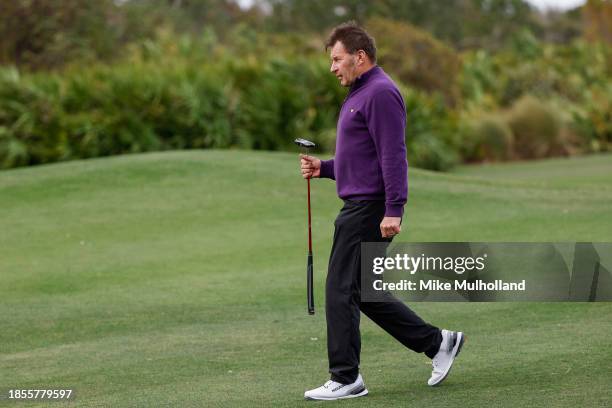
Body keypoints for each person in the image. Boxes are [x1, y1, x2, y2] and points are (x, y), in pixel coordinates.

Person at [299, 22, 465, 401]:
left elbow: (393, 157)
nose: (332, 67)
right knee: (365, 292)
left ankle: (345, 377)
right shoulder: (360, 93)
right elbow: (360, 159)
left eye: (337, 59)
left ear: (360, 57)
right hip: (361, 205)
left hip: (368, 210)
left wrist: (394, 210)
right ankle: (438, 343)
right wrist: (324, 168)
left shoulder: (381, 93)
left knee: (341, 289)